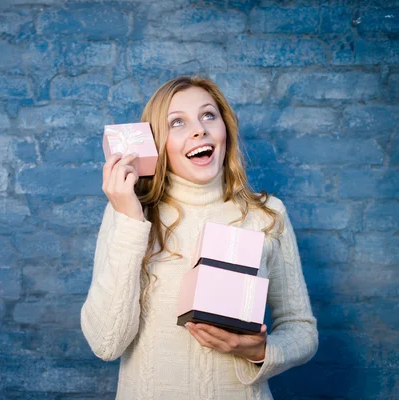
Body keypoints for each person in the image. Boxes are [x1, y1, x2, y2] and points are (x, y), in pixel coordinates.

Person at [80, 76, 318, 399]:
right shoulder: (128, 214)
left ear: (225, 129)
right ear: (156, 143)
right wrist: (130, 221)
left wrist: (260, 350)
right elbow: (107, 343)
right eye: (177, 122)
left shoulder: (268, 215)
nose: (199, 130)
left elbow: (302, 330)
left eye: (208, 115)